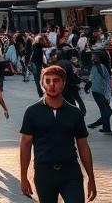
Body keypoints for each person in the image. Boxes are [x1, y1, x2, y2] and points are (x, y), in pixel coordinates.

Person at [20, 65, 97, 203]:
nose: (51, 85)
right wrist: (23, 177)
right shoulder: (32, 112)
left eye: (56, 80)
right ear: (42, 83)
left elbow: (83, 146)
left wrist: (91, 178)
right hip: (44, 173)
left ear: (63, 83)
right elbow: (25, 145)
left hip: (70, 172)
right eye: (47, 81)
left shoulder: (75, 113)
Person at [86, 52, 112, 135]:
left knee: (105, 110)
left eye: (93, 57)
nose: (92, 58)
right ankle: (105, 127)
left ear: (97, 59)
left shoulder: (97, 67)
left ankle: (103, 126)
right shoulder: (103, 66)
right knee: (107, 110)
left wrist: (86, 87)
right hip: (103, 90)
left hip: (98, 91)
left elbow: (92, 79)